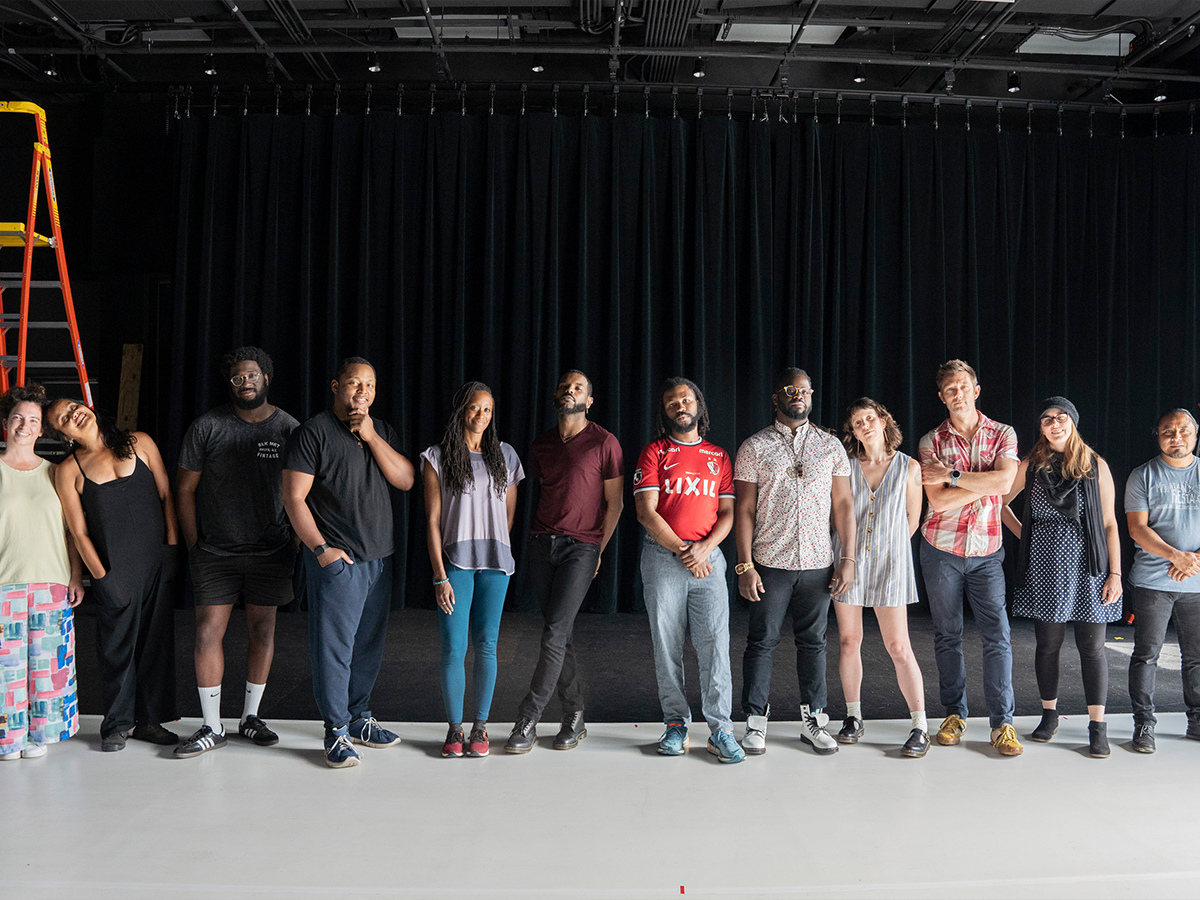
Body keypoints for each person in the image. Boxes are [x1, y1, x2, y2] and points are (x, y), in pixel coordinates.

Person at [283, 357, 415, 768]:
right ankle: (335, 731)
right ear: (336, 386)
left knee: (367, 647)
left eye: (370, 386)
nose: (363, 391)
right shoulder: (313, 433)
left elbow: (406, 478)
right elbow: (293, 498)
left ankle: (359, 718)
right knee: (334, 649)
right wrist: (322, 550)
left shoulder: (380, 431)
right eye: (355, 383)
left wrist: (372, 436)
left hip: (379, 559)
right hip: (339, 560)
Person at [174, 347, 300, 759]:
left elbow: (303, 492)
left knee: (262, 632)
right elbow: (185, 489)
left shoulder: (289, 429)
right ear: (231, 384)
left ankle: (250, 717)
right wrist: (195, 544)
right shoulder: (207, 426)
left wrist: (296, 542)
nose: (245, 382)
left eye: (252, 375)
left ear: (266, 378)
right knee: (208, 631)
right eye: (237, 378)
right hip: (215, 550)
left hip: (271, 549)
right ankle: (212, 725)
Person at [734, 367, 855, 756]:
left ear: (811, 395)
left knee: (814, 643)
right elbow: (745, 510)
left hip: (819, 563)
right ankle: (755, 723)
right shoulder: (754, 447)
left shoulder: (830, 445)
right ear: (776, 398)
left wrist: (847, 558)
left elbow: (843, 505)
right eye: (790, 389)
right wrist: (744, 564)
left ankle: (814, 721)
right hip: (770, 563)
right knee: (761, 642)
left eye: (804, 390)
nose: (798, 395)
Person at [48, 397, 179, 752]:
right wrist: (101, 576)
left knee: (155, 642)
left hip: (157, 559)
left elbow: (167, 496)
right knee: (116, 647)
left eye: (73, 405)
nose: (72, 412)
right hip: (113, 569)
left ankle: (150, 722)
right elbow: (78, 533)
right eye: (62, 417)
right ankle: (117, 724)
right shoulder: (68, 470)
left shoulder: (141, 442)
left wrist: (171, 549)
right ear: (63, 435)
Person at [504, 370, 623, 754]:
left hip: (582, 548)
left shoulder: (605, 443)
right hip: (542, 545)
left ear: (589, 401)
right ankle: (574, 714)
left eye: (579, 388)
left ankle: (529, 717)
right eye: (565, 386)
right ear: (556, 396)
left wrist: (599, 551)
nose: (570, 391)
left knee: (554, 632)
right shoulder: (542, 444)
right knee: (562, 634)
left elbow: (615, 503)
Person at [1001, 397, 1123, 759]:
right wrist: (1029, 538)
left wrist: (1115, 573)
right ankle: (1049, 715)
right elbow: (1000, 503)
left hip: (1089, 564)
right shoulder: (1031, 465)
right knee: (1048, 644)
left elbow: (1109, 524)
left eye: (1061, 417)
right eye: (1046, 419)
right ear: (1040, 426)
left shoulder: (1094, 465)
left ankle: (1097, 726)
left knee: (1092, 648)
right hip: (1045, 564)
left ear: (1072, 421)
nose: (1054, 423)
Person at [634, 377, 743, 764]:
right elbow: (646, 512)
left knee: (715, 644)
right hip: (665, 558)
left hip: (709, 561)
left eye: (686, 399)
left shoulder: (719, 457)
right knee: (667, 645)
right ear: (665, 412)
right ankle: (676, 724)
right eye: (671, 402)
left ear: (698, 405)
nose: (680, 406)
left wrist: (705, 551)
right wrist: (686, 552)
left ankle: (721, 730)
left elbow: (728, 514)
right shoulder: (655, 452)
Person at [918, 359, 1021, 757]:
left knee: (998, 636)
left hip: (987, 552)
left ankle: (1002, 724)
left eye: (963, 386)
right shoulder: (931, 441)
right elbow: (938, 501)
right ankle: (954, 714)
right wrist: (987, 483)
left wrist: (956, 476)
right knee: (947, 634)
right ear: (942, 397)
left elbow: (1005, 481)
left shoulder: (1003, 433)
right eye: (950, 389)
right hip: (940, 549)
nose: (957, 393)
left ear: (976, 390)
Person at [422, 381, 524, 759]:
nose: (481, 416)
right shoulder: (437, 456)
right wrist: (439, 575)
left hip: (495, 564)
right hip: (454, 564)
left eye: (487, 410)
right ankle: (454, 729)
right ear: (461, 410)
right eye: (474, 408)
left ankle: (480, 728)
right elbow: (432, 521)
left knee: (488, 645)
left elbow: (508, 512)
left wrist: (495, 544)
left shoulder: (506, 455)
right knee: (454, 647)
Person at [833, 398, 929, 758]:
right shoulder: (844, 466)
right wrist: (852, 555)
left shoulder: (908, 467)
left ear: (883, 421)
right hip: (849, 561)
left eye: (869, 418)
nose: (864, 426)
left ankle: (920, 725)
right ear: (852, 432)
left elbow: (911, 520)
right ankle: (853, 717)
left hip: (891, 564)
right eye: (857, 423)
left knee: (898, 646)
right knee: (848, 641)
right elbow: (838, 515)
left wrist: (884, 550)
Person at [0, 384, 83, 761]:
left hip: (50, 580)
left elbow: (72, 530)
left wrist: (76, 575)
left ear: (41, 429)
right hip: (5, 581)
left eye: (33, 420)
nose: (24, 425)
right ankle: (7, 739)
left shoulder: (56, 474)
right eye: (18, 418)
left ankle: (38, 733)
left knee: (48, 666)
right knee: (6, 668)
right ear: (5, 423)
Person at [1124, 407, 1200, 753]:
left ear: (1195, 435)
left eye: (1183, 431)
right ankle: (1144, 725)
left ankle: (1197, 720)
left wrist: (1193, 562)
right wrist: (1177, 557)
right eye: (1168, 431)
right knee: (1146, 654)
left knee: (1196, 657)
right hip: (1153, 582)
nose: (1176, 437)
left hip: (1197, 584)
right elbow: (1137, 528)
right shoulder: (1143, 476)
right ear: (1157, 436)